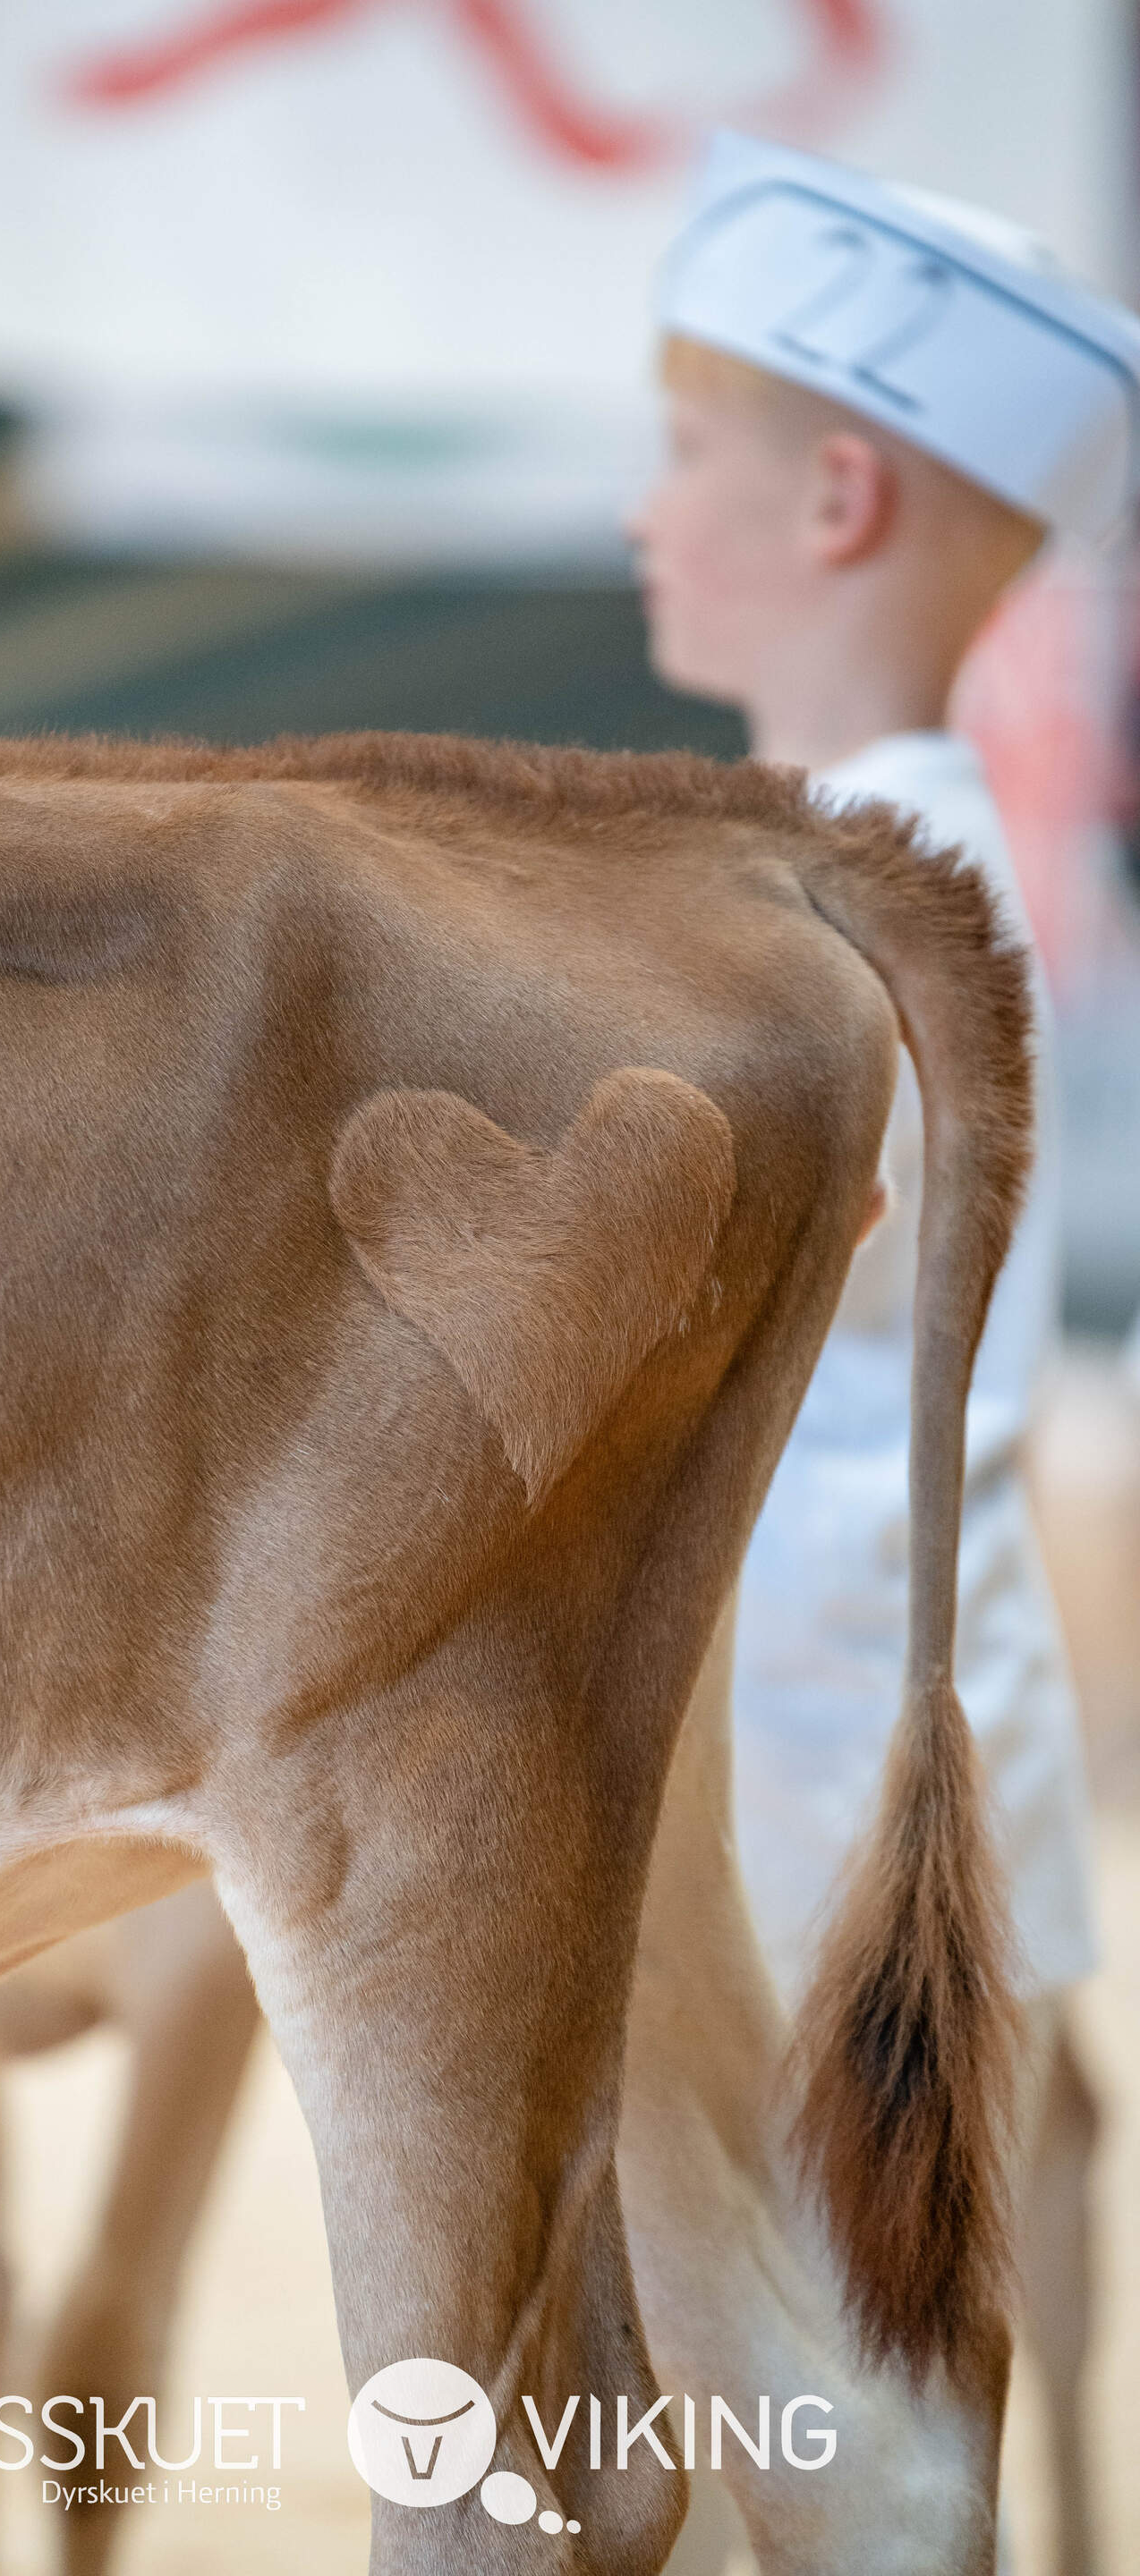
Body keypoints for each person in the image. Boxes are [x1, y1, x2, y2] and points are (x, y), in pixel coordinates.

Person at [627, 131, 1140, 2573]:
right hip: (948, 1705)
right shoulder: (914, 849)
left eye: (682, 451)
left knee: (811, 2370)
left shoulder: (843, 887)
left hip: (812, 1723)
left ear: (837, 496)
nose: (647, 509)